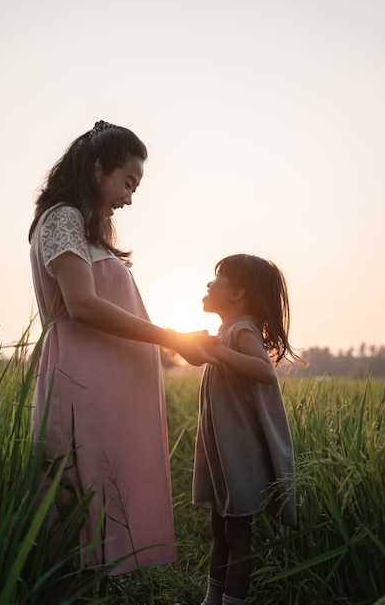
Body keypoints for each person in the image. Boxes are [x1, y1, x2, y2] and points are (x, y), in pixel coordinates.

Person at [28, 120, 218, 576]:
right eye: (128, 182)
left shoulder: (91, 229)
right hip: (81, 380)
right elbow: (83, 306)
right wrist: (171, 337)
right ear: (98, 169)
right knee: (74, 498)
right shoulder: (62, 219)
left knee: (99, 500)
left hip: (106, 387)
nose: (130, 197)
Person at [192, 254, 301, 605]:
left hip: (239, 455)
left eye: (217, 278)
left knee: (237, 535)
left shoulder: (240, 331)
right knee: (220, 530)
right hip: (224, 452)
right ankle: (212, 600)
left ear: (237, 292)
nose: (209, 284)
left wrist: (220, 353)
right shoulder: (228, 331)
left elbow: (265, 371)